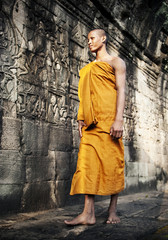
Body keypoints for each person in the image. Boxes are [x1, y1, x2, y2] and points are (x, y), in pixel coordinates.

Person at [64, 29, 126, 225]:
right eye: (87, 39)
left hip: (109, 120)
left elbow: (121, 90)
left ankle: (112, 209)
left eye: (92, 38)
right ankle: (88, 213)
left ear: (103, 38)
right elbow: (85, 96)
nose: (89, 42)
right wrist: (81, 117)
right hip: (91, 122)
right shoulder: (88, 68)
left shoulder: (116, 62)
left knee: (113, 163)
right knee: (87, 164)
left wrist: (119, 120)